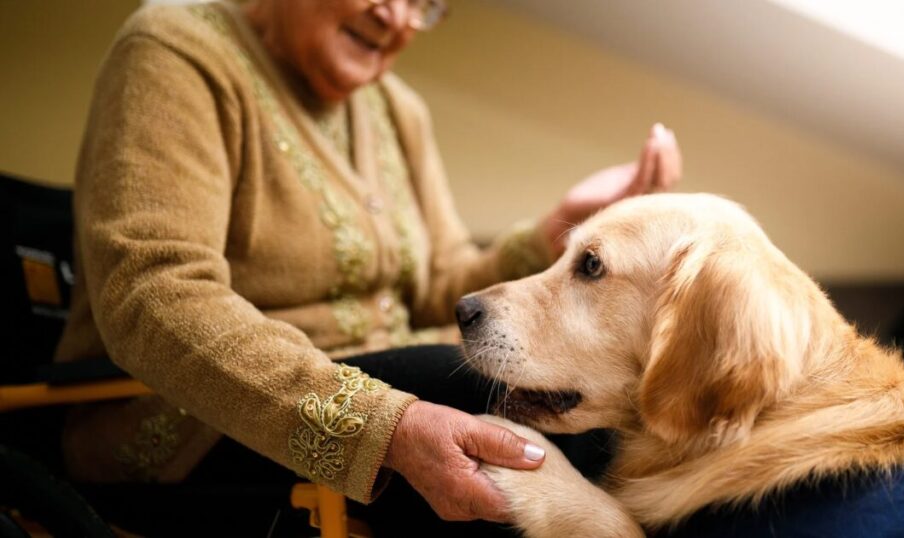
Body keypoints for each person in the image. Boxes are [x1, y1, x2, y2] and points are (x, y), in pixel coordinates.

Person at [54, 0, 680, 534]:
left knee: (603, 411)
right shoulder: (175, 49)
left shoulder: (397, 109)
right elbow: (150, 295)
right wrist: (382, 425)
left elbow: (443, 287)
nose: (397, 16)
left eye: (425, 2)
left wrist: (553, 230)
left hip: (391, 379)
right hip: (195, 431)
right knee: (495, 399)